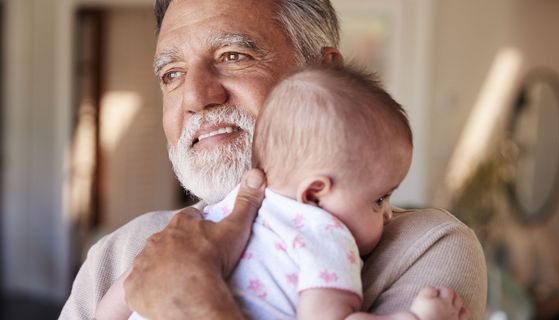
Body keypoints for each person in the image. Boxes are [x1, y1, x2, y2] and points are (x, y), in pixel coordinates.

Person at [59, 0, 487, 319]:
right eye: (172, 75)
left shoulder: (425, 246)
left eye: (233, 56)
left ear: (325, 72)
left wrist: (192, 302)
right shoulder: (121, 251)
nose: (195, 97)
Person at [94, 66, 469, 320]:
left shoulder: (214, 216)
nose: (387, 214)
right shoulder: (328, 237)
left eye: (234, 57)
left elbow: (129, 286)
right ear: (315, 195)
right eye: (378, 199)